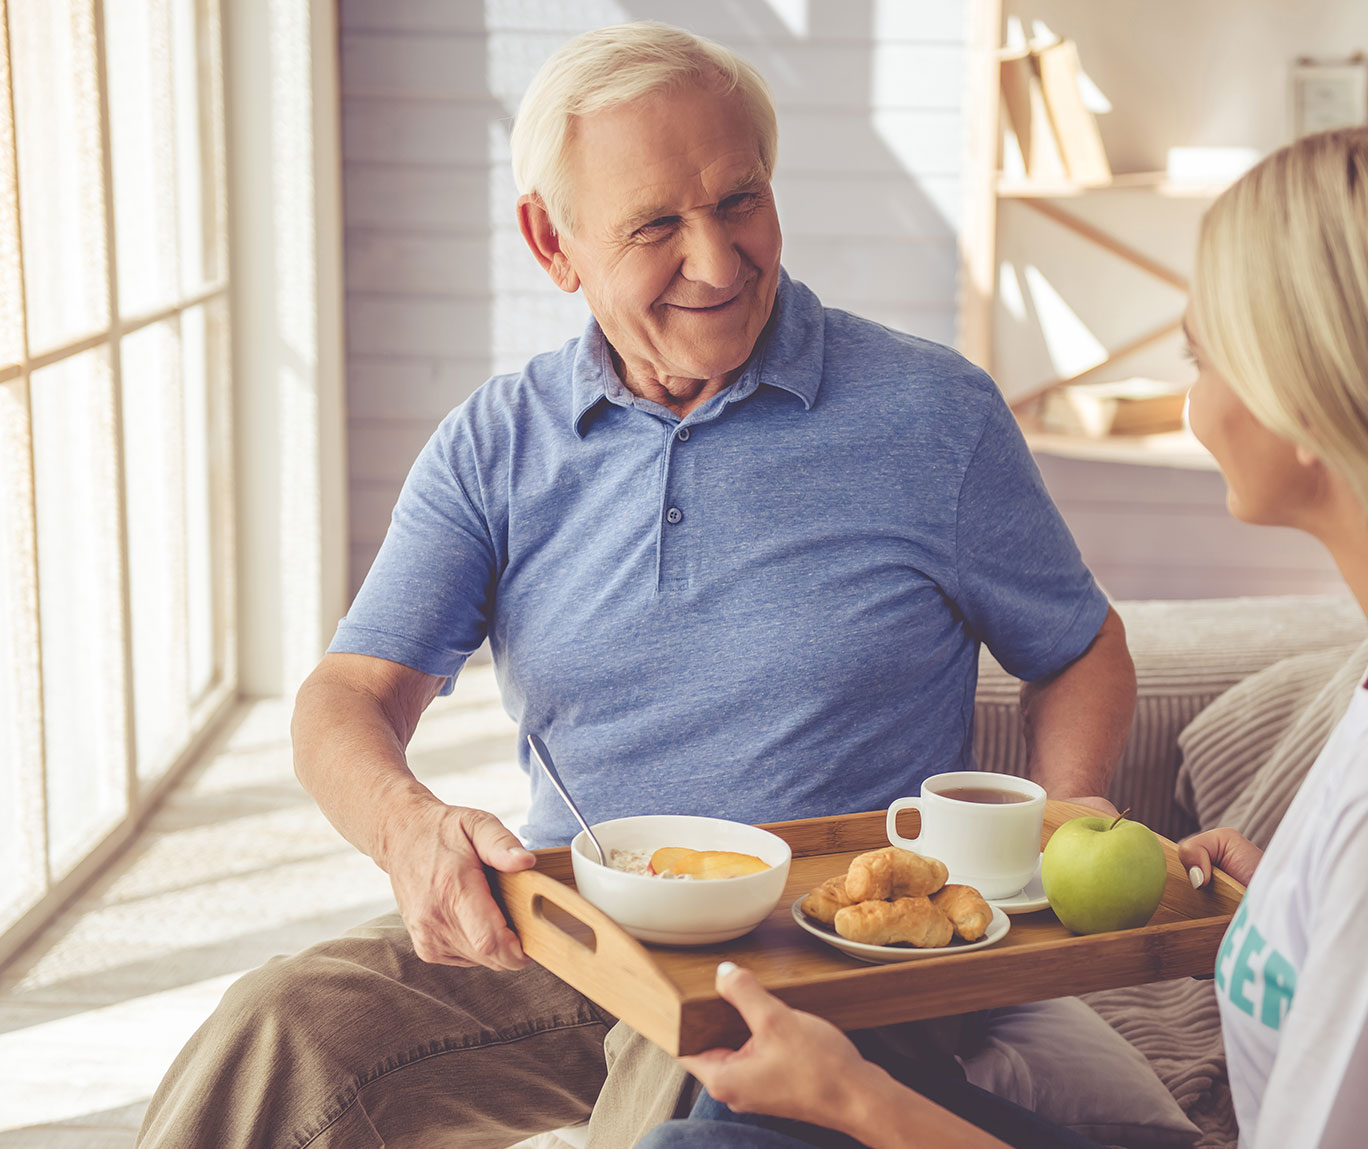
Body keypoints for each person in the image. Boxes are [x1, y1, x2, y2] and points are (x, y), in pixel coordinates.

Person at [135, 22, 1138, 1149]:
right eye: (656, 224)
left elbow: (1077, 648)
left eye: (741, 202)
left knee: (693, 1073)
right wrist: (408, 825)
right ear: (551, 243)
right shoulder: (496, 444)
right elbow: (346, 699)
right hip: (575, 928)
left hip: (822, 956)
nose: (716, 262)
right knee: (277, 1026)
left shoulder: (931, 416)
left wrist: (1062, 816)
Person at [636, 125, 1368, 1148]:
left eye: (1203, 355)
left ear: (1316, 399)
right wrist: (1305, 902)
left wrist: (855, 1102)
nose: (1194, 402)